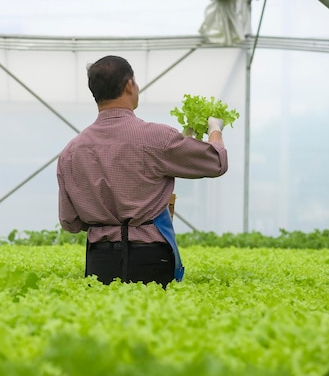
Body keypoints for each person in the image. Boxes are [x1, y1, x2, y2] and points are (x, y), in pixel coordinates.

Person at [56, 55, 228, 288]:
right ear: (129, 85)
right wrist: (215, 129)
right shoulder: (157, 138)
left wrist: (106, 221)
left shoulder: (71, 152)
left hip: (99, 259)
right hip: (151, 257)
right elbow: (216, 161)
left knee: (101, 321)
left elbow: (70, 222)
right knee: (152, 322)